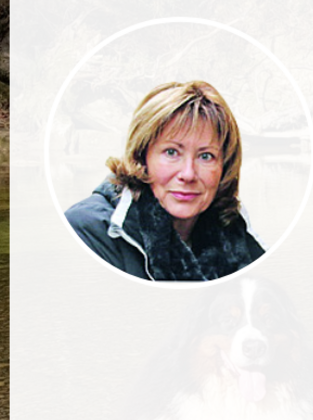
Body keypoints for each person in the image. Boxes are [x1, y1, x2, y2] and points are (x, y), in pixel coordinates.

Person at [65, 80, 265, 280]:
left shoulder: (234, 231)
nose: (188, 174)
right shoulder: (87, 231)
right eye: (171, 152)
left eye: (205, 156)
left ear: (224, 166)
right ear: (142, 156)